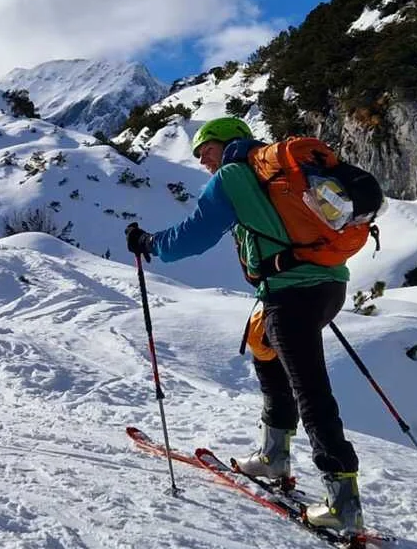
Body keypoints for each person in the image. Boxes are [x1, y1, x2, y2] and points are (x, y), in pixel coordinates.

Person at [124, 117, 363, 537]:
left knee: (310, 390)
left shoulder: (236, 175)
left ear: (226, 142)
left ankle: (343, 503)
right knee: (263, 347)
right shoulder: (277, 174)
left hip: (292, 293)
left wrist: (149, 243)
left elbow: (193, 237)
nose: (203, 162)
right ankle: (274, 455)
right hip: (324, 285)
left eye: (206, 151)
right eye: (198, 156)